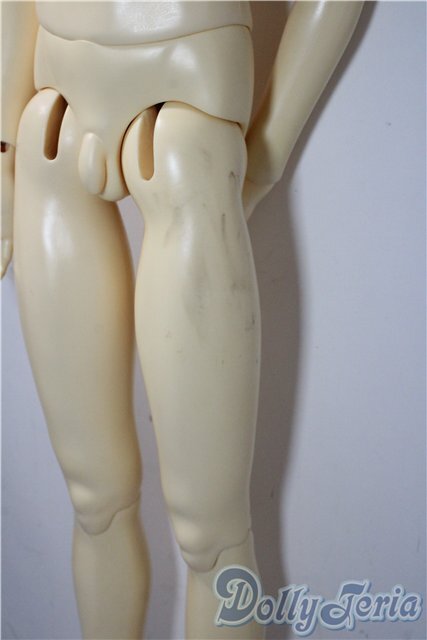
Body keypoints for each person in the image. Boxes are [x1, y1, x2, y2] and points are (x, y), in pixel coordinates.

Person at [1, 2, 363, 638]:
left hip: (186, 119)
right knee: (94, 499)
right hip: (51, 126)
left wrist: (267, 150)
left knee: (211, 537)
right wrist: (3, 150)